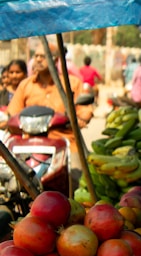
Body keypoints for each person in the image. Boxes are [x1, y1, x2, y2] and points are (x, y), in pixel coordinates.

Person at [7, 43, 93, 188]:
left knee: (78, 181)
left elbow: (84, 110)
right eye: (36, 56)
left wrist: (81, 119)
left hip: (65, 143)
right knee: (9, 181)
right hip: (30, 145)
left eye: (43, 56)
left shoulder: (72, 83)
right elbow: (13, 113)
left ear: (56, 60)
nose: (38, 60)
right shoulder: (25, 85)